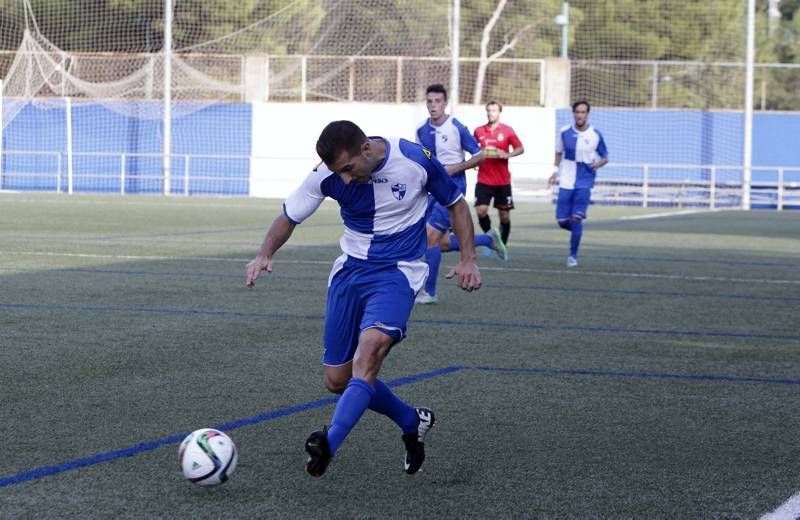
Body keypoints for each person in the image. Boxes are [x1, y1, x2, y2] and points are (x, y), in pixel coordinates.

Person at [245, 120, 481, 478]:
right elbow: (289, 216)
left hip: (398, 272)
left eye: (348, 168)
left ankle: (329, 443)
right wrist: (264, 253)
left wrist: (468, 259)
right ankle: (410, 419)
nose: (343, 178)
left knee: (369, 352)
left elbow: (457, 204)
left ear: (366, 150)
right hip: (349, 273)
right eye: (337, 171)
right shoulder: (326, 175)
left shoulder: (414, 159)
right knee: (337, 380)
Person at [414, 84, 506, 305]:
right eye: (430, 101)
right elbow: (420, 159)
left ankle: (429, 292)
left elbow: (479, 155)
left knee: (430, 237)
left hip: (451, 188)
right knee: (442, 243)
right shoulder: (420, 130)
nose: (433, 105)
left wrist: (454, 168)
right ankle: (487, 239)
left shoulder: (456, 127)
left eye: (437, 101)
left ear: (445, 103)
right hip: (431, 189)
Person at [549, 100, 609, 267]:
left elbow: (605, 157)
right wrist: (554, 172)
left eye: (583, 112)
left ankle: (572, 256)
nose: (580, 115)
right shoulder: (564, 132)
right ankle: (578, 231)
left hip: (585, 181)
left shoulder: (595, 134)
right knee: (562, 220)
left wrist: (598, 164)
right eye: (577, 112)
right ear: (573, 113)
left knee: (575, 218)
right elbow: (558, 152)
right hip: (566, 180)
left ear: (587, 114)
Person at [473, 100, 525, 249]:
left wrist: (507, 155)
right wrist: (474, 162)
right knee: (481, 211)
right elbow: (471, 148)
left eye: (494, 110)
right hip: (484, 179)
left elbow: (520, 148)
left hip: (502, 181)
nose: (491, 113)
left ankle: (502, 244)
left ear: (499, 112)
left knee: (504, 216)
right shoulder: (479, 131)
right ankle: (491, 239)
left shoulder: (507, 131)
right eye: (488, 110)